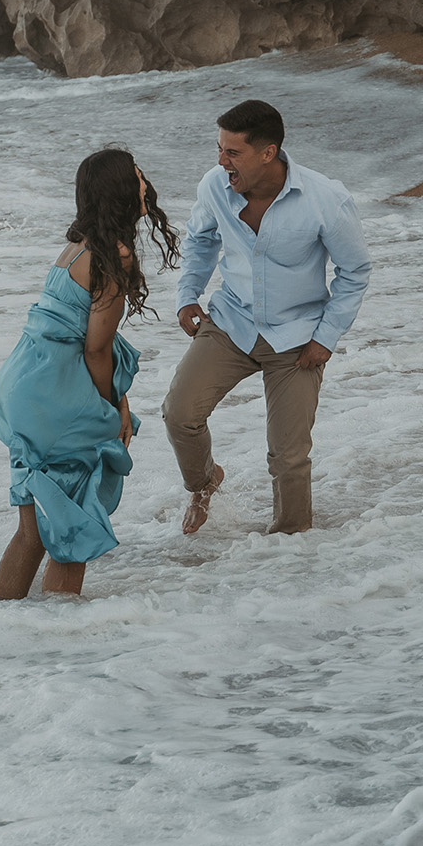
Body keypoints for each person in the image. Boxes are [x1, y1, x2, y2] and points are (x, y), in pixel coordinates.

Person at [162, 99, 370, 537]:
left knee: (288, 456)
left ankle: (290, 554)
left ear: (267, 153)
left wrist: (326, 337)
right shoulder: (214, 187)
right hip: (231, 322)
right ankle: (203, 485)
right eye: (219, 149)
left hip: (297, 339)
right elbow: (200, 241)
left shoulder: (325, 200)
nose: (221, 162)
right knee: (180, 413)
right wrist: (187, 295)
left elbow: (354, 271)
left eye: (232, 153)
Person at [0, 148, 180, 599]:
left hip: (22, 388)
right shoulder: (113, 255)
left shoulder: (75, 246)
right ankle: (59, 654)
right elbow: (96, 349)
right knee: (71, 535)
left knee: (32, 533)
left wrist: (120, 398)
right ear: (121, 190)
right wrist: (110, 409)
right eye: (137, 176)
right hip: (56, 398)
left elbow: (82, 336)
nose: (144, 183)